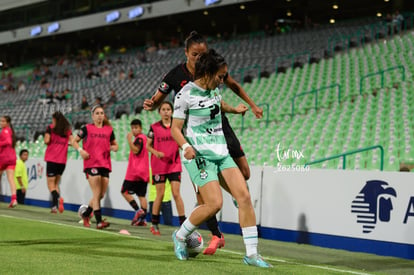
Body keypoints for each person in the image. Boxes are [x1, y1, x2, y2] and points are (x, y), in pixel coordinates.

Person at [143, 31, 263, 254]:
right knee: (210, 201)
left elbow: (226, 94)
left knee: (244, 176)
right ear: (186, 53)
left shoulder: (215, 75)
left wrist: (245, 107)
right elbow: (159, 101)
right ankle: (211, 234)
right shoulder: (179, 82)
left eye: (203, 54)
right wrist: (152, 104)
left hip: (219, 127)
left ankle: (245, 243)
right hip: (195, 139)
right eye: (195, 54)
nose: (199, 58)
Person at [171, 49, 272, 268]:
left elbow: (219, 105)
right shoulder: (185, 94)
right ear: (207, 72)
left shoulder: (214, 91)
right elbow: (175, 129)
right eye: (220, 76)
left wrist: (235, 110)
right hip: (199, 156)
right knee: (214, 203)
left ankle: (252, 255)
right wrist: (186, 146)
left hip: (221, 153)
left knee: (244, 196)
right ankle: (180, 236)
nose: (223, 80)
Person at [72, 105, 118, 229]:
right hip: (91, 163)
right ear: (92, 116)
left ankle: (86, 214)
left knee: (101, 194)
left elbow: (115, 145)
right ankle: (98, 222)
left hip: (105, 164)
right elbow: (73, 141)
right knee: (97, 193)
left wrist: (113, 148)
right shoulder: (86, 128)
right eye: (97, 113)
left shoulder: (109, 130)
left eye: (101, 113)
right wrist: (81, 150)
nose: (99, 115)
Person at [146, 101, 185, 235]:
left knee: (176, 194)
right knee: (160, 194)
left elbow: (182, 143)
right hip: (159, 166)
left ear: (172, 111)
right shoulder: (154, 127)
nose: (166, 111)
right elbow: (148, 146)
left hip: (174, 165)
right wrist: (156, 152)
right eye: (163, 109)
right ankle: (154, 224)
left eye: (168, 109)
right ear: (160, 112)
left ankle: (184, 225)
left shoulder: (177, 126)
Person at [121, 119, 149, 226]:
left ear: (141, 128)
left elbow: (136, 150)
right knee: (141, 195)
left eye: (136, 127)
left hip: (135, 172)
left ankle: (138, 211)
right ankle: (142, 220)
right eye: (133, 128)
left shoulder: (140, 138)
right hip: (144, 172)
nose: (134, 130)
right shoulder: (143, 138)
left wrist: (129, 140)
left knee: (124, 191)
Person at [44, 111, 73, 213]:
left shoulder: (50, 128)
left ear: (55, 119)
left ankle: (57, 199)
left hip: (52, 159)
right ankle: (54, 206)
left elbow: (46, 141)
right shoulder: (67, 131)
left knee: (50, 184)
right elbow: (72, 142)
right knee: (56, 183)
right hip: (62, 161)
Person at [0, 115, 18, 208]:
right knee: (11, 179)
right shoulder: (10, 131)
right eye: (1, 121)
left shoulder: (5, 131)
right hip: (12, 158)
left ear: (7, 123)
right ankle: (14, 199)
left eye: (3, 121)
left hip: (4, 158)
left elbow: (8, 142)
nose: (1, 123)